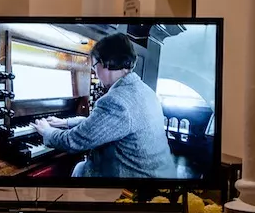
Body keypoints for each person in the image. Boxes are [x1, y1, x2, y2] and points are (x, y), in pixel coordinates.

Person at [34, 32, 175, 180]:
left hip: (135, 182)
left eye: (94, 66)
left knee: (81, 169)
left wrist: (47, 131)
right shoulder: (144, 90)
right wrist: (65, 122)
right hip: (160, 173)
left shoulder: (116, 100)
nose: (95, 72)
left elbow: (73, 141)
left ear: (105, 63)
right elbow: (102, 125)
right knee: (80, 167)